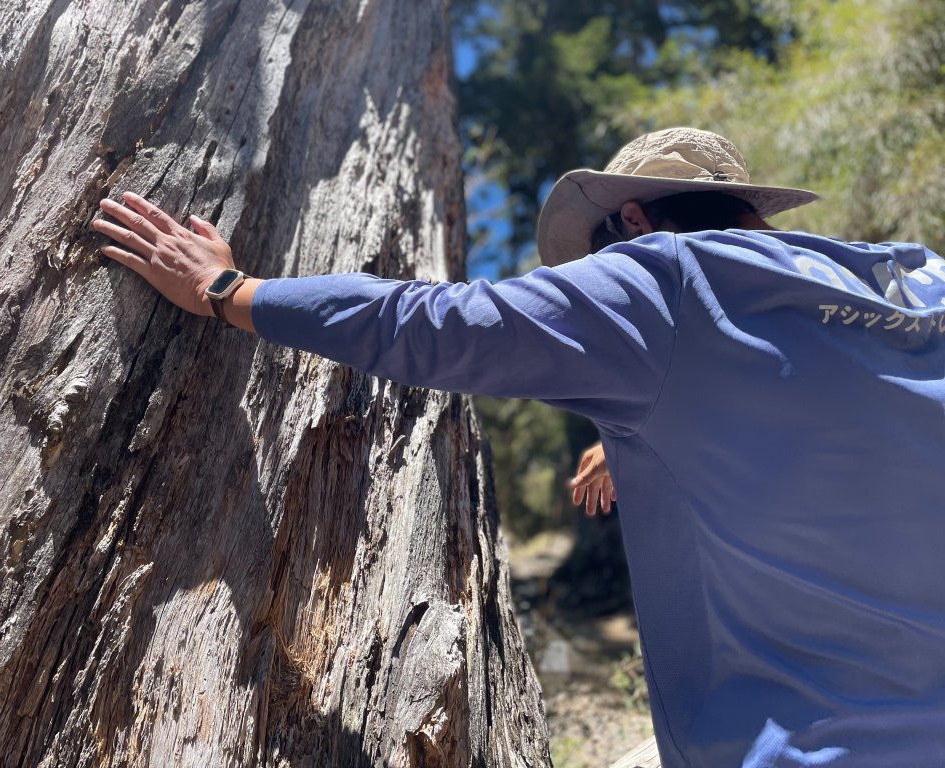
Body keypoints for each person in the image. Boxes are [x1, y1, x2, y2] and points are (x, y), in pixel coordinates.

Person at [93, 127, 945, 767]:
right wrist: (646, 428)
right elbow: (827, 418)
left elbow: (436, 325)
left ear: (634, 218)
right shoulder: (916, 281)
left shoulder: (664, 276)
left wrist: (229, 289)